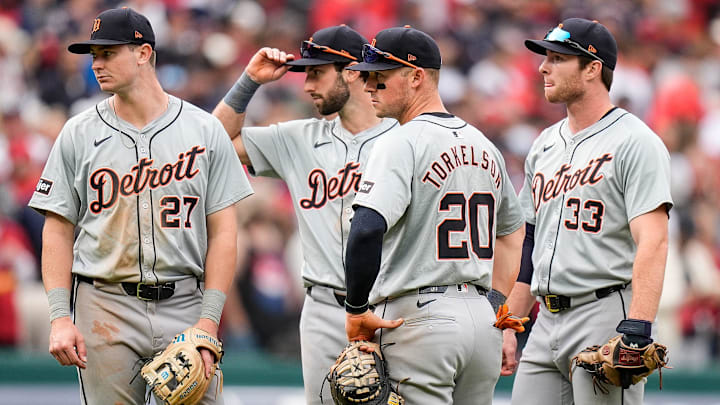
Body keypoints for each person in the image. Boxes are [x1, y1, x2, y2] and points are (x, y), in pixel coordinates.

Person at [28, 8, 252, 404]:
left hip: (186, 300)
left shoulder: (203, 129)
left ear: (144, 53)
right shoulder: (78, 132)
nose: (97, 64)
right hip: (105, 303)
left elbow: (224, 231)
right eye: (93, 55)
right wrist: (60, 316)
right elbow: (57, 228)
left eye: (109, 53)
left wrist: (208, 320)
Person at [212, 25, 398, 404]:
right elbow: (210, 143)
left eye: (317, 72)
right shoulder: (298, 138)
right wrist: (249, 82)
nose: (307, 85)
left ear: (351, 72)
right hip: (325, 311)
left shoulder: (404, 137)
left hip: (392, 309)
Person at [342, 26, 525, 404]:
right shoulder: (484, 144)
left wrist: (357, 309)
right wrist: (495, 301)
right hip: (481, 320)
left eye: (380, 76)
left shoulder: (398, 141)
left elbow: (365, 229)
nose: (369, 86)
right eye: (367, 77)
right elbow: (513, 232)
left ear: (416, 76)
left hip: (420, 318)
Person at [501, 18, 673, 404]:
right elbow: (531, 241)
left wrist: (639, 327)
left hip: (606, 312)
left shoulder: (635, 142)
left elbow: (654, 240)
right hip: (546, 318)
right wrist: (510, 322)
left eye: (558, 58)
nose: (544, 67)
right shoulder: (545, 143)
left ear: (593, 68)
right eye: (546, 56)